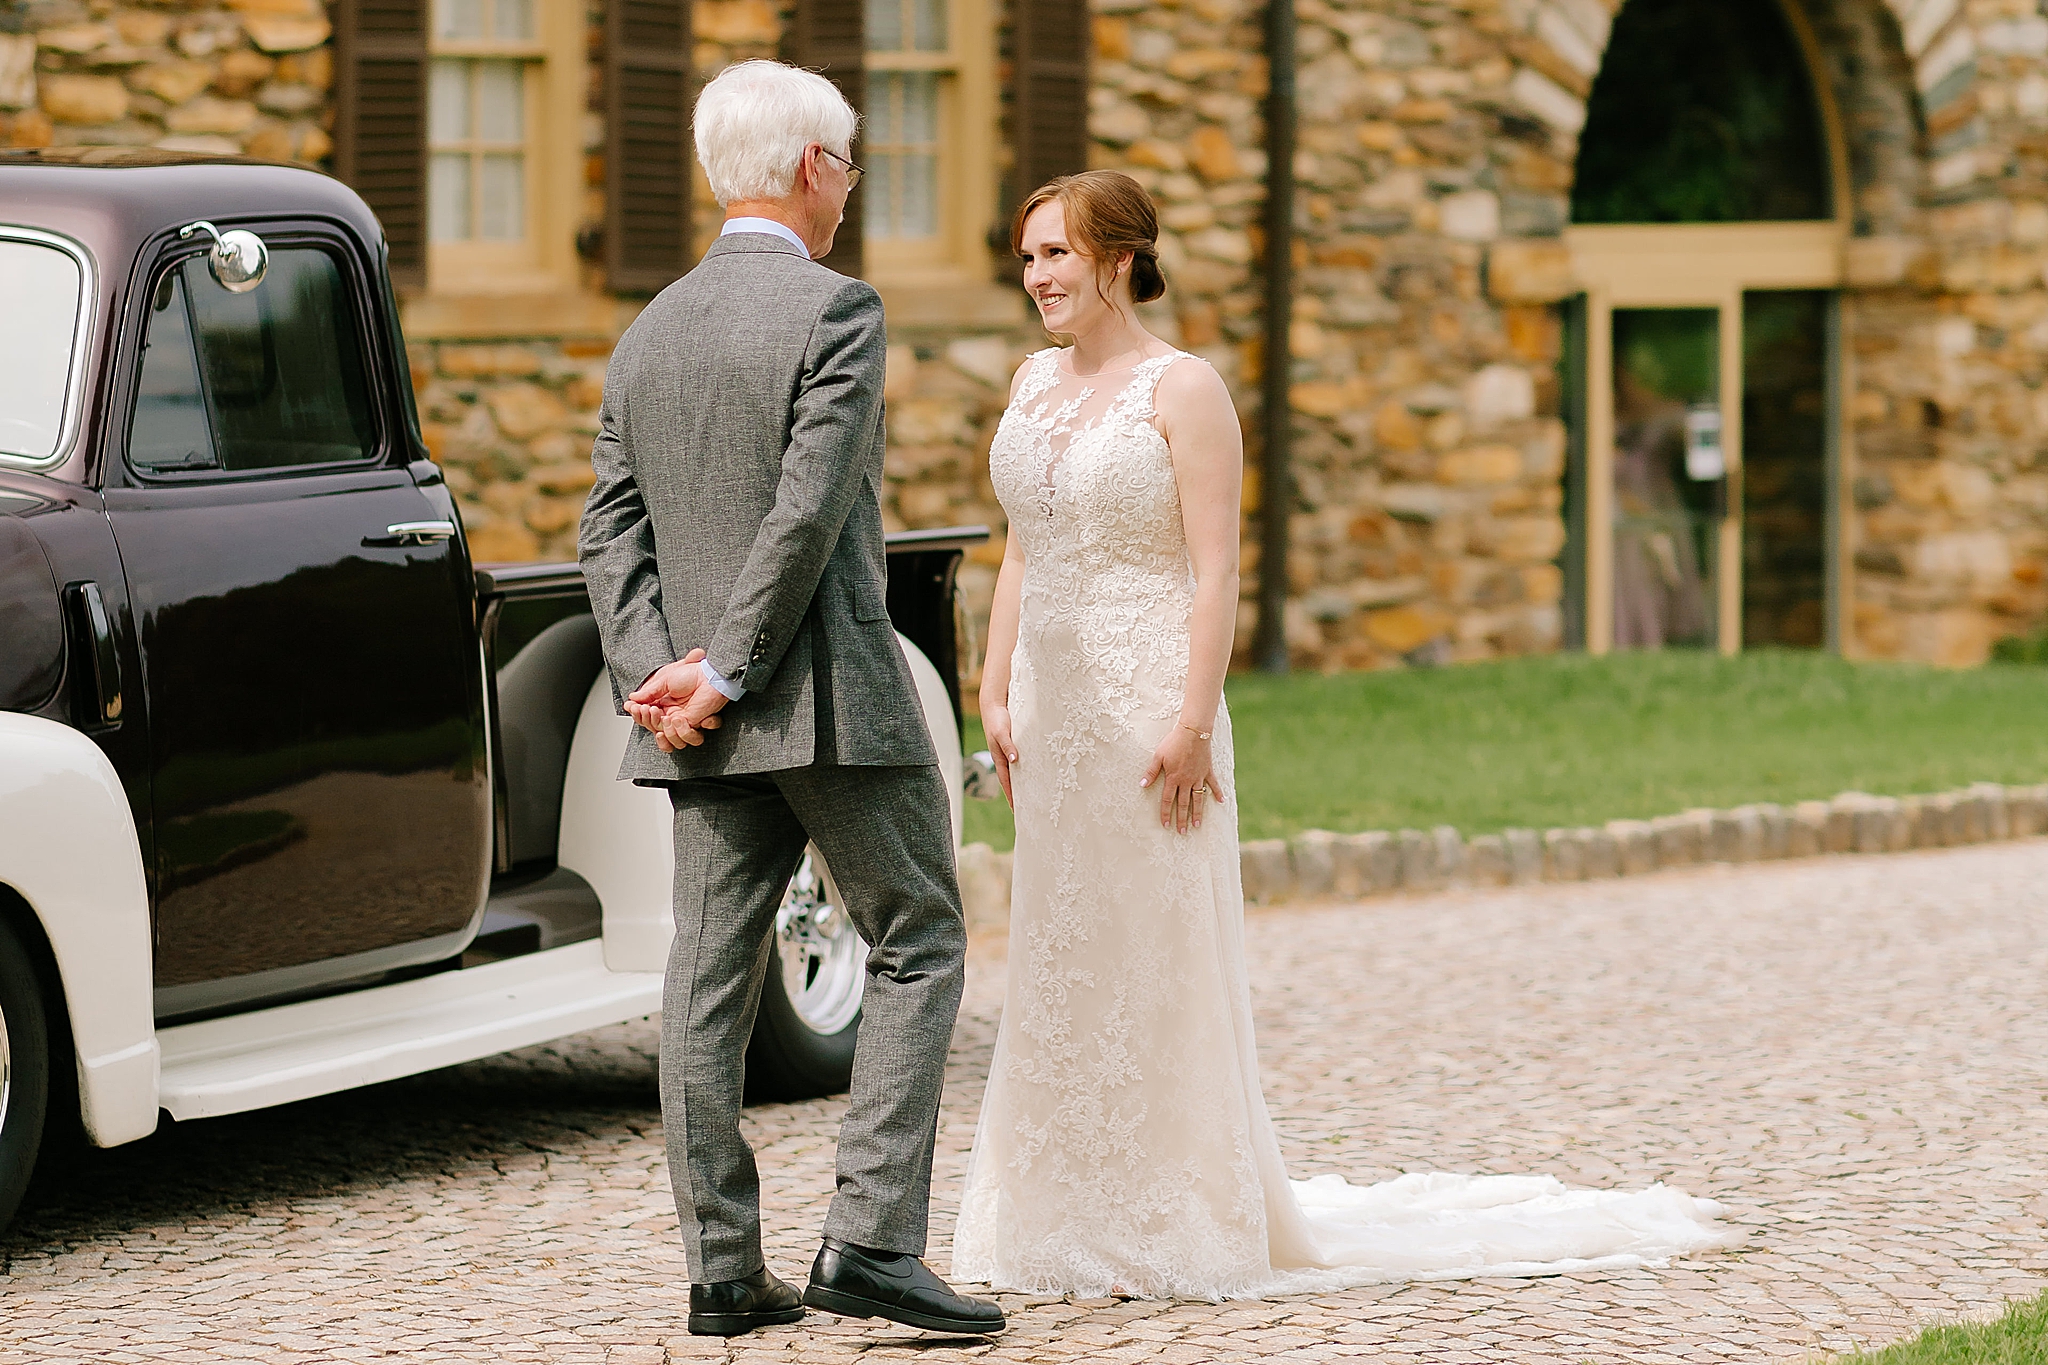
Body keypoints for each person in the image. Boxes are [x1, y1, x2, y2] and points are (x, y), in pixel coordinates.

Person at [952, 170, 1737, 1300]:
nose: (1037, 278)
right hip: (1051, 710)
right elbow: (1021, 545)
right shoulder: (1028, 386)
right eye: (1026, 257)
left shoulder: (1183, 390)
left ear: (1120, 259)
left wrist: (1187, 723)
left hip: (1146, 702)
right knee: (1060, 956)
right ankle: (1052, 1213)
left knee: (1155, 960)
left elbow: (1217, 569)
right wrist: (991, 684)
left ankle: (1172, 1212)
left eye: (1057, 255)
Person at [577, 60, 1003, 1338]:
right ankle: (870, 1243)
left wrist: (661, 678)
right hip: (823, 704)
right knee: (919, 935)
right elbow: (808, 511)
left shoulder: (646, 328)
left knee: (703, 983)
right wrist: (722, 669)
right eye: (851, 165)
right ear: (814, 168)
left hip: (703, 722)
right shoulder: (837, 309)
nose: (852, 190)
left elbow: (609, 530)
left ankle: (720, 1272)